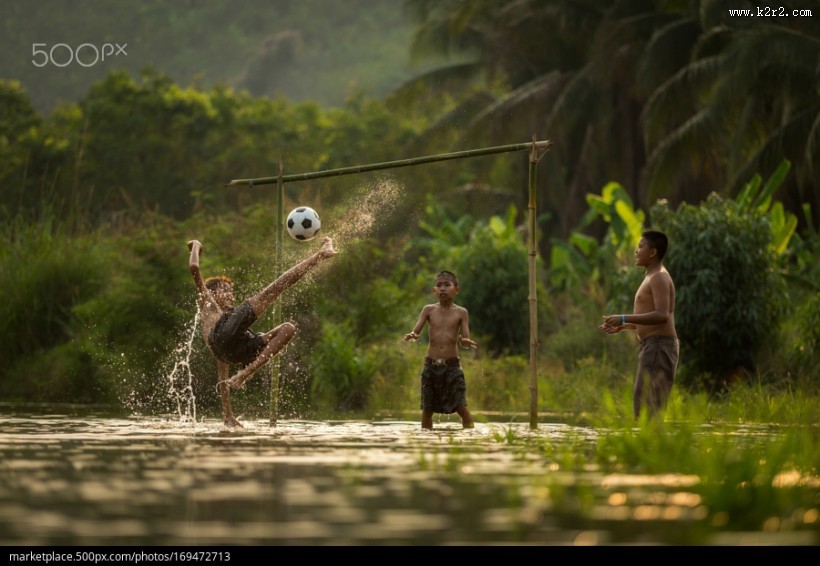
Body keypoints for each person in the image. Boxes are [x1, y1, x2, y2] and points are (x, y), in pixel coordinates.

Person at [187, 236, 336, 427]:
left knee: (288, 328)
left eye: (231, 291)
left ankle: (246, 373)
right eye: (224, 289)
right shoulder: (208, 304)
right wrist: (195, 245)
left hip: (233, 352)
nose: (230, 294)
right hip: (223, 343)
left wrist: (228, 416)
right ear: (212, 293)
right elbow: (194, 268)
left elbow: (222, 376)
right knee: (274, 290)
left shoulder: (228, 326)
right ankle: (320, 255)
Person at [599, 230, 679, 419]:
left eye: (640, 246)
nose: (636, 251)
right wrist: (623, 326)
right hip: (653, 346)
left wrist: (625, 318)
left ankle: (649, 447)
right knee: (646, 404)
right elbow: (652, 317)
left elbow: (662, 316)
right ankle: (650, 446)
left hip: (658, 347)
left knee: (646, 405)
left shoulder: (659, 277)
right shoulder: (651, 277)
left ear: (653, 252)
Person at [404, 270, 477, 430]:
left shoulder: (461, 312)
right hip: (431, 366)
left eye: (447, 285)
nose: (442, 288)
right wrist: (412, 334)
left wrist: (465, 342)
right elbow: (416, 330)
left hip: (452, 367)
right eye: (439, 285)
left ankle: (470, 440)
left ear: (456, 289)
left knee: (461, 408)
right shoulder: (428, 310)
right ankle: (427, 441)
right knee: (427, 410)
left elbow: (465, 340)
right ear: (434, 290)